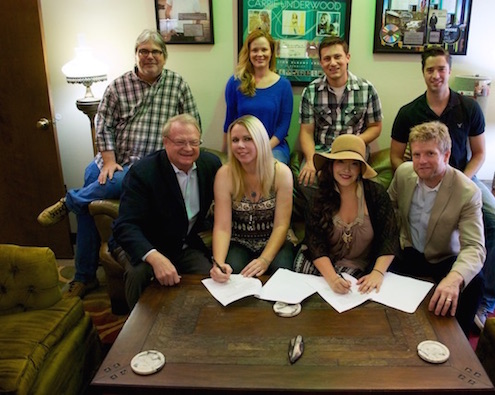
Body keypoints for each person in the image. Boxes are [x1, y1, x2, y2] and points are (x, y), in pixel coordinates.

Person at [37, 29, 200, 299]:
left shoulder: (177, 84)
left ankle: (70, 203)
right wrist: (109, 160)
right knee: (95, 179)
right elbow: (103, 125)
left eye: (155, 52)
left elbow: (194, 121)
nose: (149, 57)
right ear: (136, 55)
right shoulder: (118, 85)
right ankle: (84, 276)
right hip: (114, 156)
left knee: (108, 187)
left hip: (148, 164)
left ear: (165, 56)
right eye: (143, 51)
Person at [389, 46, 495, 330]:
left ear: (449, 71)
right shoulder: (407, 161)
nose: (436, 75)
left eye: (441, 69)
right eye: (430, 69)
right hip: (410, 250)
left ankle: (488, 305)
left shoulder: (468, 108)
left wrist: (463, 182)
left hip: (464, 181)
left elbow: (478, 153)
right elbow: (390, 204)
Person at [111, 114, 221, 310]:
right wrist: (154, 256)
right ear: (165, 142)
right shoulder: (143, 172)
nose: (188, 148)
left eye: (194, 142)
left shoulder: (210, 165)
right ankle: (137, 332)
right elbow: (126, 225)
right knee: (140, 272)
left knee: (208, 278)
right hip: (142, 242)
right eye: (180, 142)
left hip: (182, 243)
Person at [388, 121, 485, 335]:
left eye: (430, 154)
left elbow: (475, 247)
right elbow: (389, 211)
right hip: (408, 252)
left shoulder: (468, 191)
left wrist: (454, 278)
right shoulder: (404, 174)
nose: (422, 161)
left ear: (446, 155)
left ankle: (459, 345)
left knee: (474, 283)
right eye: (416, 155)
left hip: (443, 258)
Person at [294, 134, 398, 294]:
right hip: (320, 261)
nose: (346, 170)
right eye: (340, 161)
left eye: (354, 164)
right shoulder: (318, 196)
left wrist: (377, 274)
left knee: (356, 294)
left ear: (361, 168)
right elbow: (315, 243)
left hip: (358, 267)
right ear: (331, 164)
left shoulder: (376, 194)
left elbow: (389, 238)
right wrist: (332, 279)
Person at [210, 115, 294, 283]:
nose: (240, 145)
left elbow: (281, 225)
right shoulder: (225, 175)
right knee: (230, 278)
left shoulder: (281, 173)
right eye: (235, 140)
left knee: (281, 275)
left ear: (261, 141)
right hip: (239, 240)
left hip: (275, 241)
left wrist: (265, 259)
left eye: (248, 139)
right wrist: (218, 264)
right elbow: (222, 227)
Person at [298, 36, 382, 188]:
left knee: (363, 186)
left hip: (354, 153)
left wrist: (353, 144)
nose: (333, 63)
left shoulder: (367, 89)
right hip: (322, 152)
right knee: (307, 182)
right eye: (327, 58)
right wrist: (311, 160)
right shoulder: (310, 92)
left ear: (347, 57)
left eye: (337, 57)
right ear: (321, 62)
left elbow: (375, 127)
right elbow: (306, 132)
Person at [224, 29, 293, 165]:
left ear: (271, 52)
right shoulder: (235, 83)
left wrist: (262, 149)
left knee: (268, 169)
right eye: (255, 50)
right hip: (242, 146)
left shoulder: (284, 85)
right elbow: (229, 122)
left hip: (273, 147)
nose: (259, 54)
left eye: (264, 50)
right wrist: (227, 152)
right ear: (248, 53)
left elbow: (283, 127)